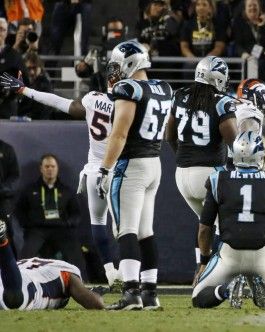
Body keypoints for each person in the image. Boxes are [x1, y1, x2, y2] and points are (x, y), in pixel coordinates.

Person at [0, 63, 122, 289]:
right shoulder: (128, 104)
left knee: (98, 225)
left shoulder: (93, 99)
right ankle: (132, 278)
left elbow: (59, 102)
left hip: (95, 171)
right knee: (128, 228)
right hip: (119, 169)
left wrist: (25, 90)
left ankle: (111, 273)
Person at [97, 41, 173, 310]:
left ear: (130, 63)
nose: (115, 72)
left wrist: (104, 168)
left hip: (132, 165)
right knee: (145, 231)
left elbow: (119, 133)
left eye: (118, 65)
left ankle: (131, 293)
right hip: (154, 163)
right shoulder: (164, 88)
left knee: (126, 229)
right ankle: (150, 292)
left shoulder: (127, 88)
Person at [191, 131, 265, 309]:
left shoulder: (218, 179)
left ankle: (225, 290)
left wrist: (203, 262)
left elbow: (204, 229)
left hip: (230, 254)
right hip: (262, 253)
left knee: (198, 297)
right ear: (261, 154)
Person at [166, 56, 237, 272]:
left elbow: (169, 136)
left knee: (205, 223)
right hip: (210, 173)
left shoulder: (179, 96)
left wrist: (186, 157)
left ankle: (202, 268)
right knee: (228, 225)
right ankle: (224, 272)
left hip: (182, 175)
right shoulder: (222, 102)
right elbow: (235, 142)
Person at [0, 220, 104, 310]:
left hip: (13, 275)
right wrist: (97, 297)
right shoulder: (68, 271)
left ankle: (3, 242)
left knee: (12, 295)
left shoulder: (26, 262)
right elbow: (94, 302)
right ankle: (2, 241)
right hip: (27, 288)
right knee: (14, 299)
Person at [15, 154, 86, 277]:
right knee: (26, 254)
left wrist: (68, 223)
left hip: (61, 229)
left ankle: (82, 281)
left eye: (53, 166)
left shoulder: (66, 190)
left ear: (57, 168)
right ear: (41, 168)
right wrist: (28, 224)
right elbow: (19, 211)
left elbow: (76, 214)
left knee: (75, 253)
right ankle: (19, 280)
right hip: (37, 230)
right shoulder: (30, 190)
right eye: (46, 166)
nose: (50, 169)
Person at [231, 0, 265, 79]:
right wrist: (245, 54)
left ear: (260, 8)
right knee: (250, 63)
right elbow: (237, 43)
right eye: (250, 6)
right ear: (245, 9)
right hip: (246, 55)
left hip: (261, 56)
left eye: (255, 5)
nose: (252, 8)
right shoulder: (239, 23)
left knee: (262, 64)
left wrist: (262, 25)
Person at [0, 17, 26, 119]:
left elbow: (24, 81)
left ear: (6, 33)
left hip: (7, 106)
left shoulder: (14, 55)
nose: (0, 32)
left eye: (3, 29)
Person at [16, 52, 53, 120]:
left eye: (34, 68)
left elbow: (44, 110)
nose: (32, 72)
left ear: (40, 68)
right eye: (29, 68)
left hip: (37, 123)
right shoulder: (21, 82)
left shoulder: (45, 84)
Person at [0, 139, 19, 255]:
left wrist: (2, 189)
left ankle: (13, 270)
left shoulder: (6, 149)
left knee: (6, 236)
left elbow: (14, 176)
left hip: (1, 200)